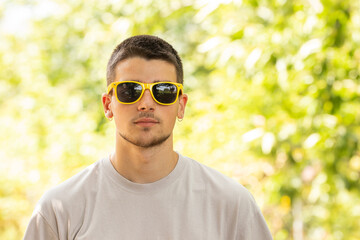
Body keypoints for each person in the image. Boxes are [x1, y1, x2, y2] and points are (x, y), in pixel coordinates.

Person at [24, 35, 273, 240]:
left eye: (163, 91)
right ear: (108, 104)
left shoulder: (232, 205)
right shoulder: (59, 210)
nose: (146, 104)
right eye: (129, 90)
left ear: (181, 105)